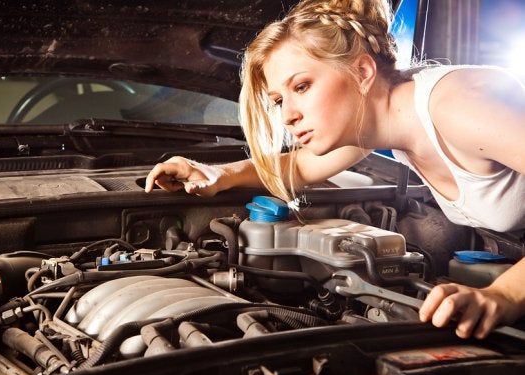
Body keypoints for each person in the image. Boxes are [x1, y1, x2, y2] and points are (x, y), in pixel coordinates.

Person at [145, 0, 525, 339]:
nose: (289, 114)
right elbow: (301, 165)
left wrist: (505, 293)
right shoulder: (378, 122)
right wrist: (219, 174)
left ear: (361, 72)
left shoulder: (458, 108)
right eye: (279, 100)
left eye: (303, 86)